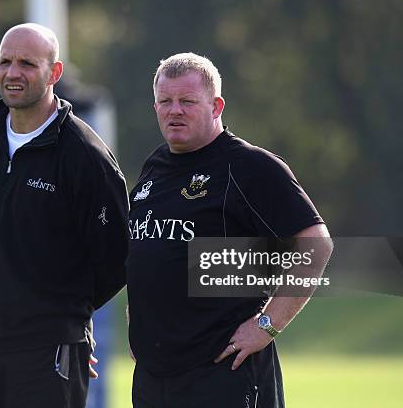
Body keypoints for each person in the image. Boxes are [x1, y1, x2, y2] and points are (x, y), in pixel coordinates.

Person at [0, 23, 129, 408]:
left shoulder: (85, 155)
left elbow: (117, 258)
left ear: (54, 73)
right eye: (6, 62)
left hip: (45, 349)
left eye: (27, 64)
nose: (13, 73)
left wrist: (67, 324)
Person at [126, 53, 333, 408]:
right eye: (165, 101)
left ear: (216, 105)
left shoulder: (249, 166)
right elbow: (149, 255)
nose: (174, 110)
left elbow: (316, 245)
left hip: (222, 373)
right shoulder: (155, 166)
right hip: (154, 377)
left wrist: (266, 325)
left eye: (187, 101)